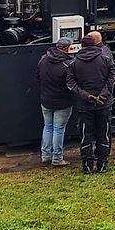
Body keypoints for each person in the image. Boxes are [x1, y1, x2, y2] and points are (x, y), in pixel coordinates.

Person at [67, 33, 115, 174]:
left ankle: (87, 166)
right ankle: (102, 165)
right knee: (104, 134)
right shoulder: (106, 59)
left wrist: (86, 96)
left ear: (82, 45)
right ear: (96, 44)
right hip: (104, 104)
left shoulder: (74, 62)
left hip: (85, 106)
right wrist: (102, 95)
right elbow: (113, 78)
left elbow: (71, 84)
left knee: (85, 135)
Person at [36, 37, 74, 166]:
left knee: (48, 127)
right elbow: (71, 84)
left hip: (46, 100)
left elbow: (37, 77)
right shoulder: (67, 65)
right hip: (62, 102)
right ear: (67, 48)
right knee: (58, 129)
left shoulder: (43, 60)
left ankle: (45, 155)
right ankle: (57, 158)